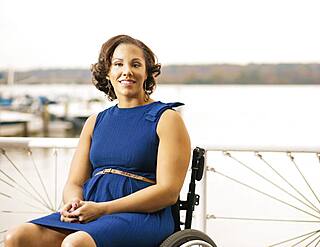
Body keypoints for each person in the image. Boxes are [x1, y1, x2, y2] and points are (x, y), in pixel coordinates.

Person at [4, 34, 191, 247]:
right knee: (16, 237)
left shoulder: (166, 119)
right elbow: (74, 182)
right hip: (92, 211)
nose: (127, 71)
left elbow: (168, 192)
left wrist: (104, 209)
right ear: (108, 73)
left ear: (147, 73)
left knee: (75, 243)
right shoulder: (95, 122)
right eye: (118, 64)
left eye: (136, 64)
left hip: (144, 215)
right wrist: (74, 202)